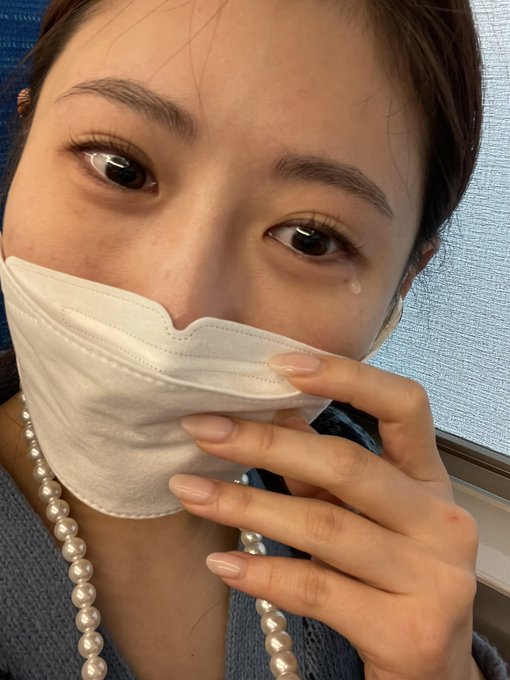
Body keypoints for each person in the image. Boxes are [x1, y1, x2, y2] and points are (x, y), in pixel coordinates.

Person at [0, 1, 508, 679]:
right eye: (120, 167)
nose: (178, 306)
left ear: (401, 286)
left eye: (310, 239)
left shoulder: (387, 558)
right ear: (25, 135)